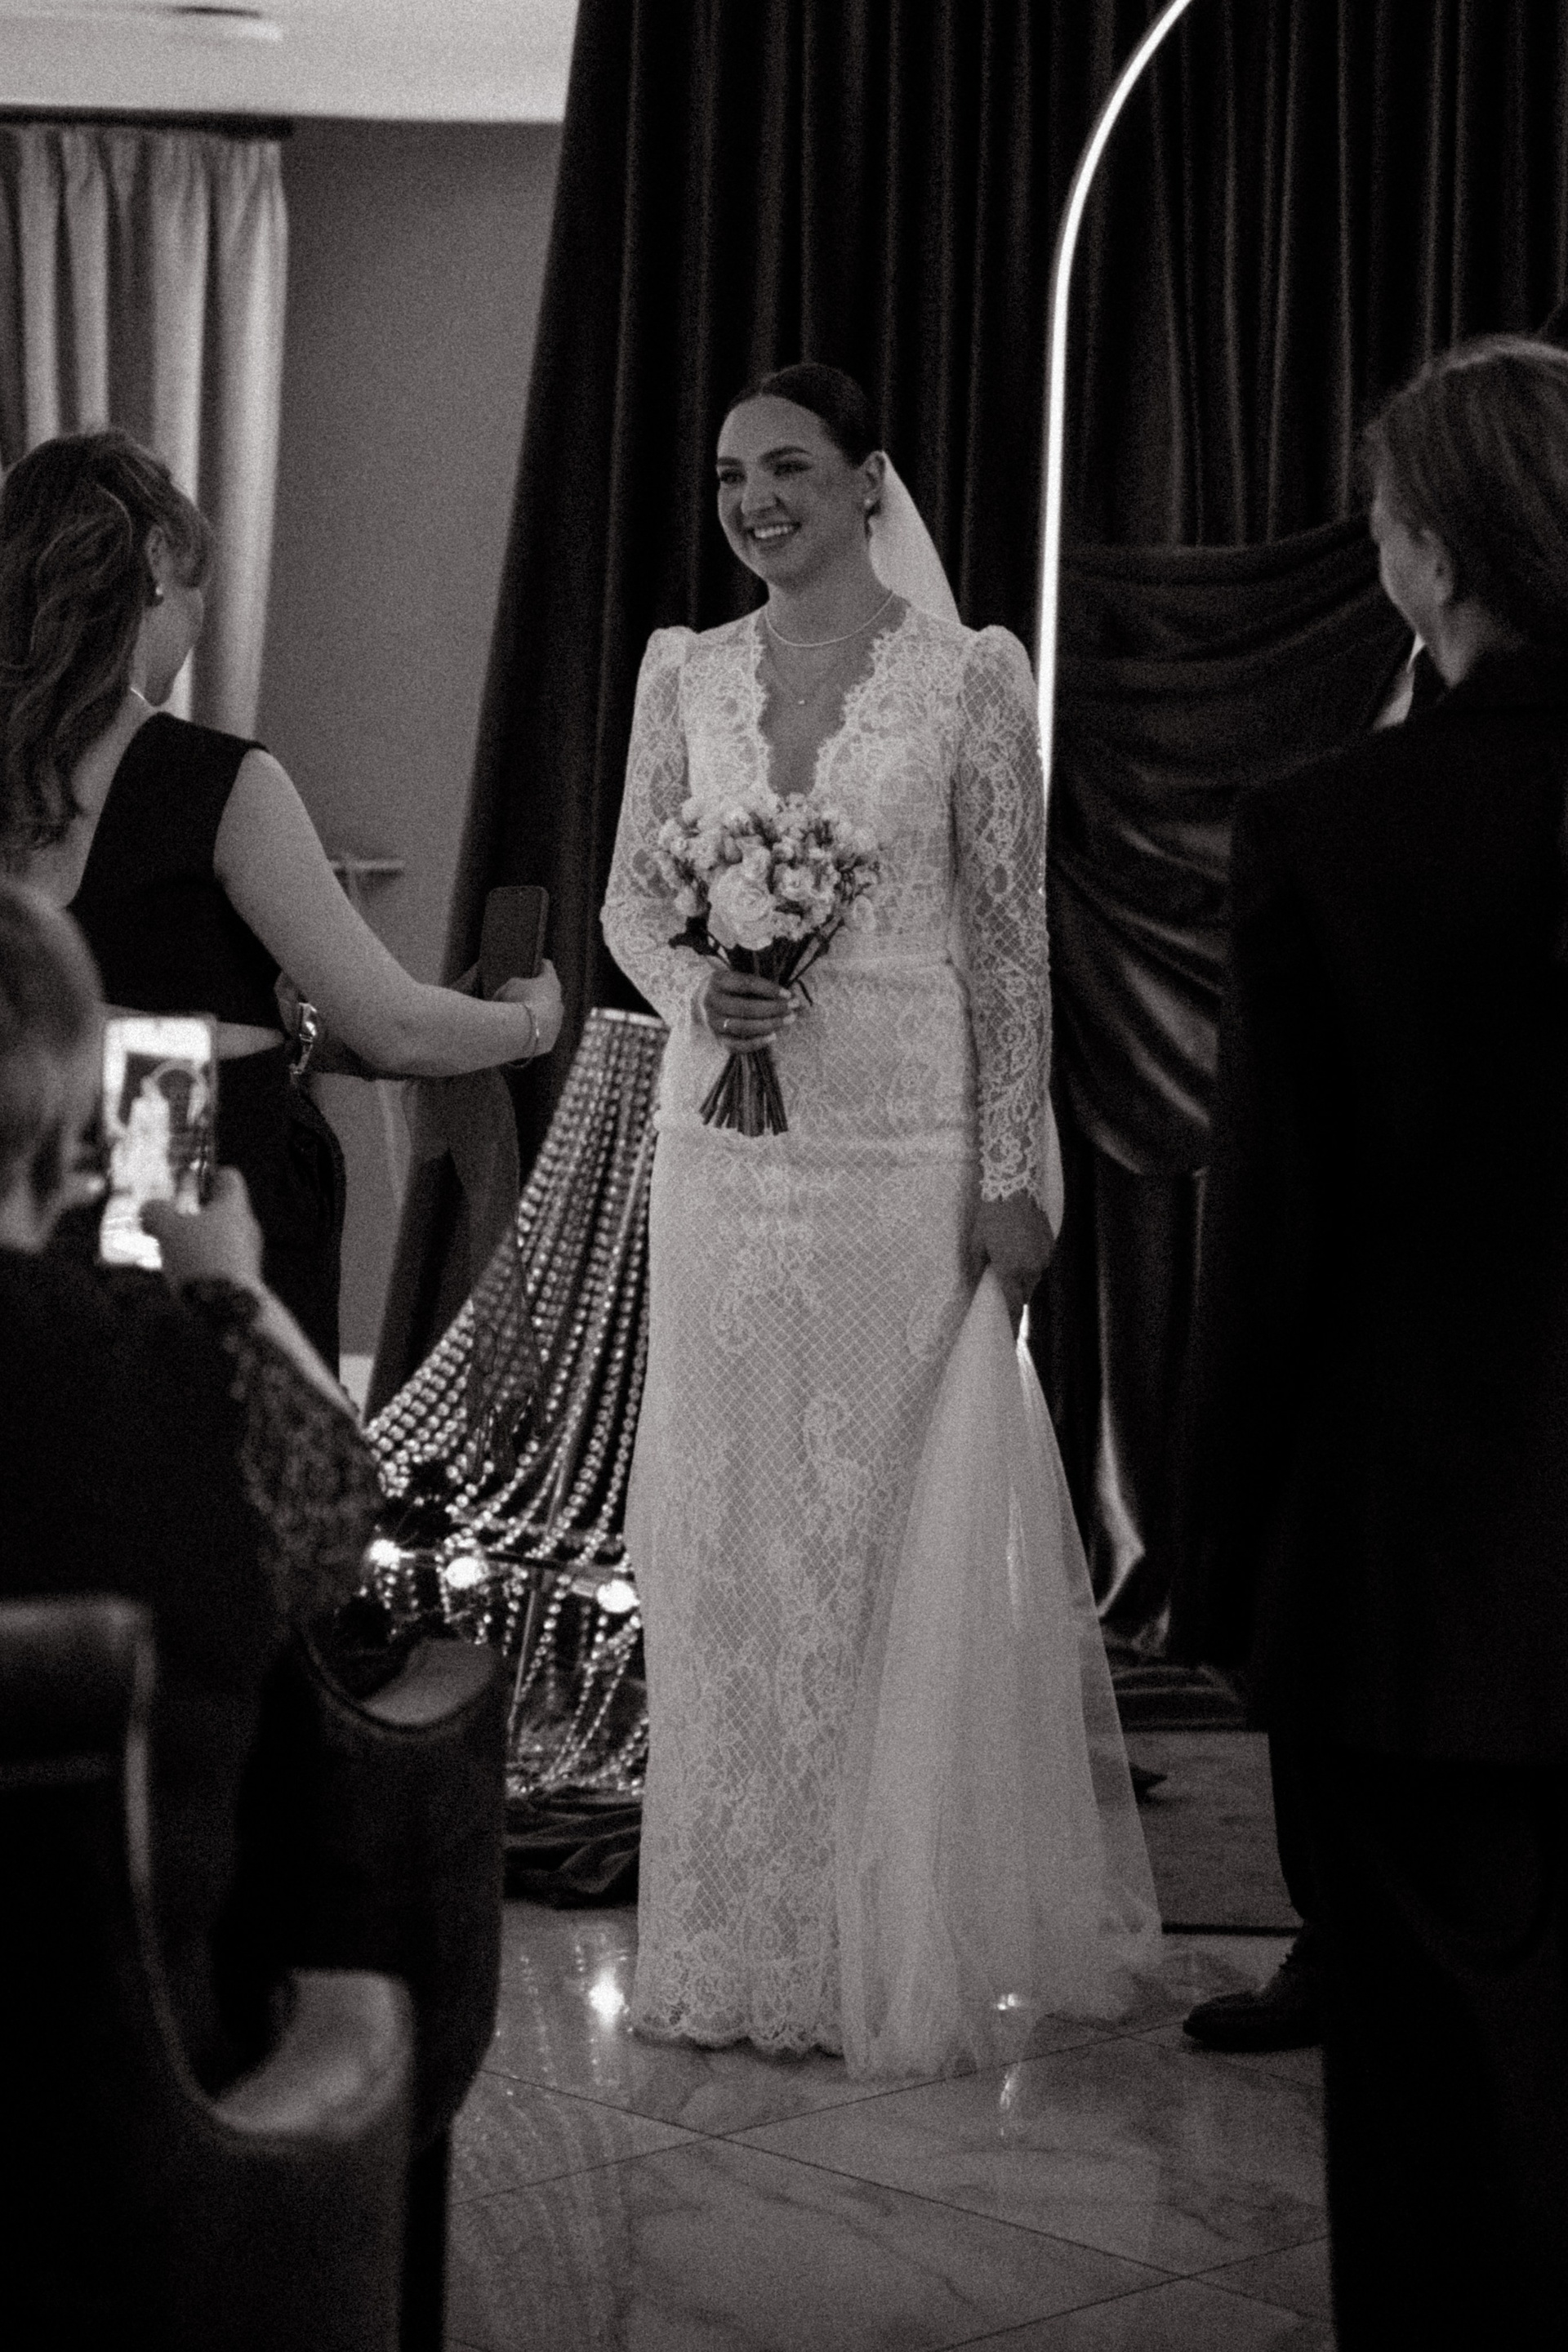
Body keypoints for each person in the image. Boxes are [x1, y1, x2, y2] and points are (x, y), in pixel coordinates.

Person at [602, 362, 1156, 2064]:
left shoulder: (969, 677)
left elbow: (1010, 942)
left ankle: (874, 1942)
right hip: (724, 1157)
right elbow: (630, 903)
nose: (754, 501)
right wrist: (703, 992)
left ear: (867, 483)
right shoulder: (683, 671)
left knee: (875, 1543)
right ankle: (730, 1939)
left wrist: (1010, 1176)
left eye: (787, 467)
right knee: (720, 1534)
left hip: (901, 1161)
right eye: (728, 476)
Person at [1171, 336, 1568, 2345]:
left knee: (1437, 2105)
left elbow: (1273, 1242)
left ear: (1429, 554)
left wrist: (1220, 1550)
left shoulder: (1338, 827)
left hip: (1426, 1562)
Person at [0, 429, 564, 1365]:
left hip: (40, 1174)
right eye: (199, 592)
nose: (197, 628)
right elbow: (396, 1028)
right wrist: (533, 1023)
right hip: (189, 1151)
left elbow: (125, 1002)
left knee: (82, 1424)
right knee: (227, 1423)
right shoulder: (211, 782)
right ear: (155, 564)